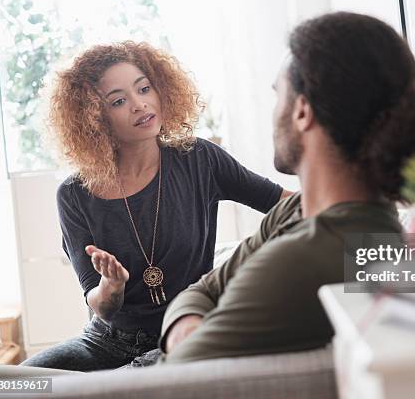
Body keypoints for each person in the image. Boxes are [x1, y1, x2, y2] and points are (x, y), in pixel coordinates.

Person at [159, 11, 415, 363]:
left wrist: (187, 324)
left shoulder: (305, 259)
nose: (273, 115)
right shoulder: (298, 210)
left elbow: (177, 374)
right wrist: (188, 318)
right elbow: (202, 288)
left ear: (302, 111)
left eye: (279, 96)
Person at [20, 41, 289, 371]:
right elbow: (101, 307)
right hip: (106, 341)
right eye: (119, 101)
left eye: (144, 88)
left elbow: (285, 205)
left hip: (182, 334)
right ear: (95, 119)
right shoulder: (74, 195)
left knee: (127, 385)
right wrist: (112, 285)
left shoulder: (200, 159)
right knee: (12, 386)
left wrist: (362, 239)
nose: (139, 104)